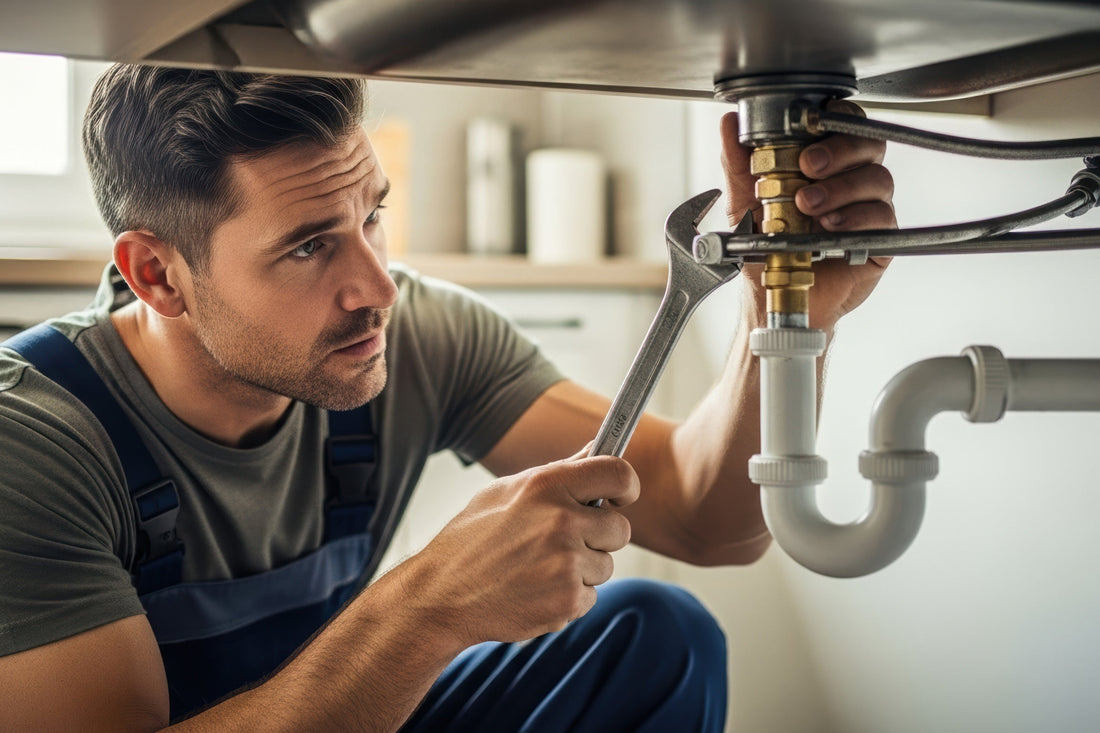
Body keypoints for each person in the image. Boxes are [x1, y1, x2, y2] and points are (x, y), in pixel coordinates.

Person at [0, 65, 895, 731]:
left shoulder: (410, 333)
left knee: (652, 633)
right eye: (309, 247)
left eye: (372, 216)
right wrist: (428, 604)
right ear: (157, 274)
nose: (376, 286)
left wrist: (789, 319)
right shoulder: (33, 442)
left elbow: (710, 520)